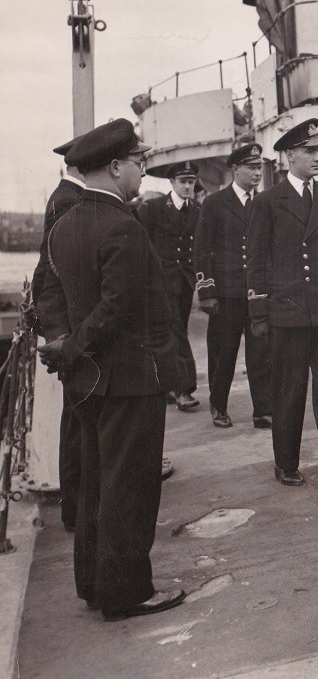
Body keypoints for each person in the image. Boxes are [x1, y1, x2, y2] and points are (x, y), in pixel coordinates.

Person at [36, 118, 186, 621]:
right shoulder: (122, 224)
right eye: (139, 162)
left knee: (96, 486)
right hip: (130, 378)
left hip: (88, 382)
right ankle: (126, 593)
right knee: (130, 487)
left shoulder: (65, 224)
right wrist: (73, 347)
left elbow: (48, 291)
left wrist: (63, 344)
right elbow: (118, 307)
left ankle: (94, 585)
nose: (143, 171)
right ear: (116, 166)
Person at [245, 118, 318, 497]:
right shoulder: (268, 201)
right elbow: (256, 261)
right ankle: (286, 462)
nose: (317, 157)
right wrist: (259, 312)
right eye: (310, 151)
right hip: (288, 311)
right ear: (289, 155)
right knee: (289, 391)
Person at [193, 142, 272, 430]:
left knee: (261, 354)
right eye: (251, 167)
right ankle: (219, 405)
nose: (257, 172)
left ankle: (263, 410)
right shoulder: (215, 203)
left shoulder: (264, 202)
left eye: (259, 167)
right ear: (235, 169)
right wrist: (207, 292)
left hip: (258, 294)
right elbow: (202, 250)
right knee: (222, 354)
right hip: (226, 295)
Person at [30, 139, 85, 533]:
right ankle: (75, 509)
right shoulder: (69, 201)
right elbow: (59, 271)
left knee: (75, 421)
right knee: (77, 425)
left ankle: (75, 506)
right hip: (70, 330)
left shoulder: (63, 196)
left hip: (65, 328)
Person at [138, 161, 201, 411]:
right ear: (172, 182)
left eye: (191, 182)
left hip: (185, 281)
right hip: (161, 282)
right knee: (176, 332)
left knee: (174, 331)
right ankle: (185, 388)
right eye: (183, 182)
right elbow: (141, 244)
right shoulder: (153, 208)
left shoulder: (197, 210)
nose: (187, 186)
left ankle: (165, 386)